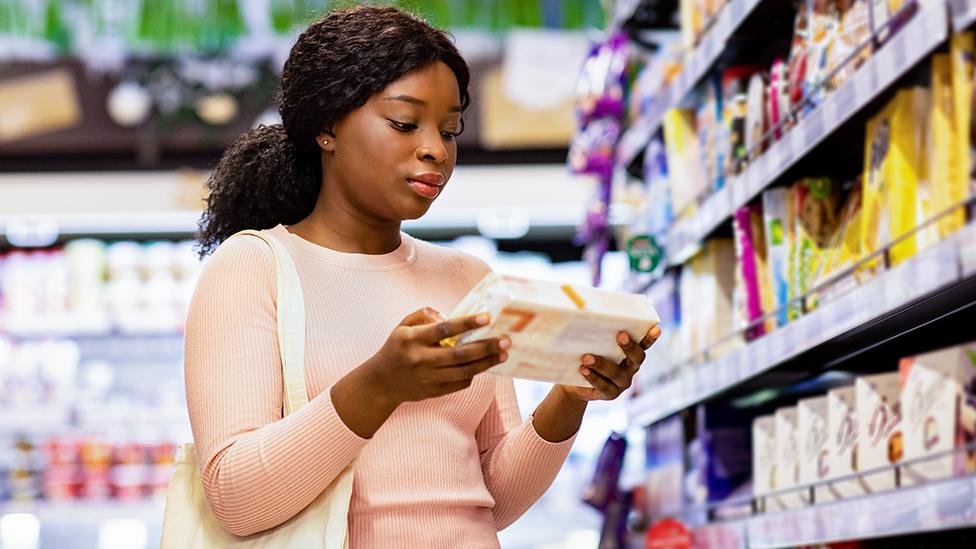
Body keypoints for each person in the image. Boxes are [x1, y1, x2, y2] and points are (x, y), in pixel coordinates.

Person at [185, 5, 660, 547]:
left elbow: (494, 500)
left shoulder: (466, 277)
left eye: (450, 128)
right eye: (405, 124)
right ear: (326, 126)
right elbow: (237, 500)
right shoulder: (252, 268)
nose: (435, 148)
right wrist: (381, 384)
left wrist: (569, 396)